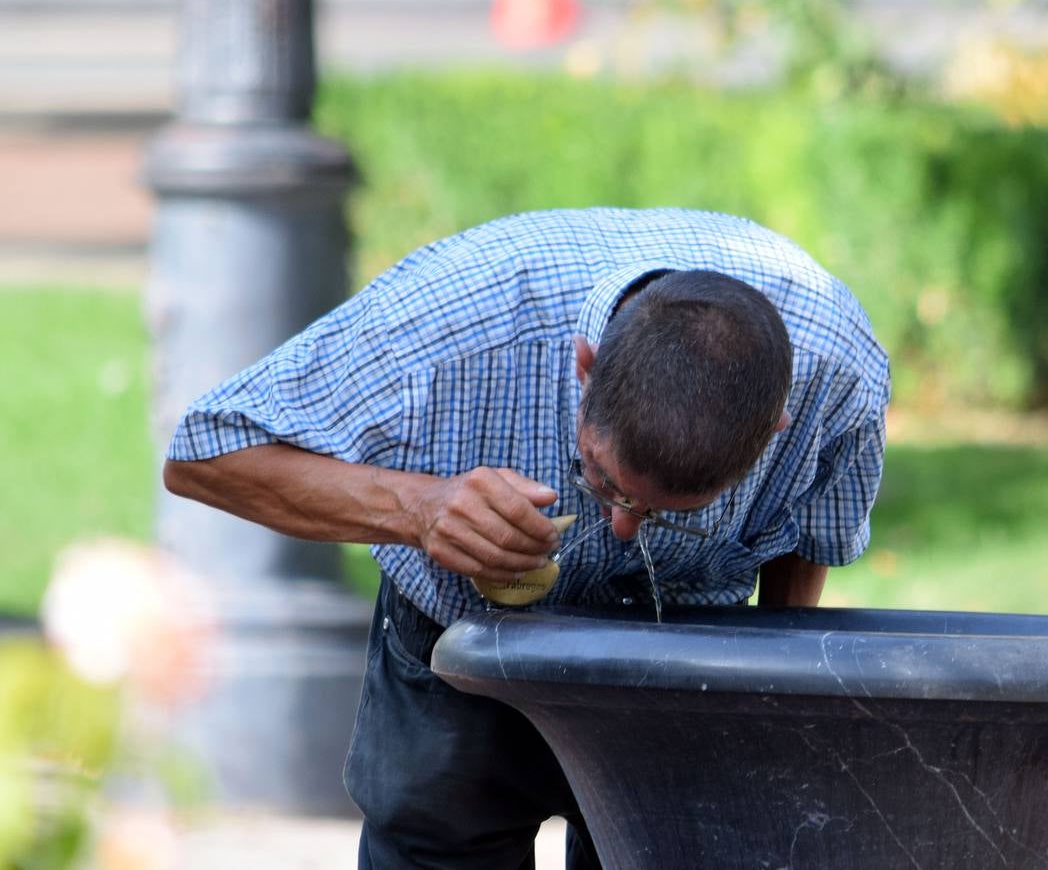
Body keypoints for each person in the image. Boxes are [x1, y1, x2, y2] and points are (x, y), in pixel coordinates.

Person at [161, 207, 890, 869]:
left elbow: (812, 539)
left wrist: (775, 705)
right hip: (456, 640)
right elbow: (205, 454)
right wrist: (419, 510)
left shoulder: (838, 376)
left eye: (666, 509)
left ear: (776, 430)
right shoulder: (457, 321)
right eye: (605, 480)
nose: (623, 525)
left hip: (686, 654)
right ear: (585, 365)